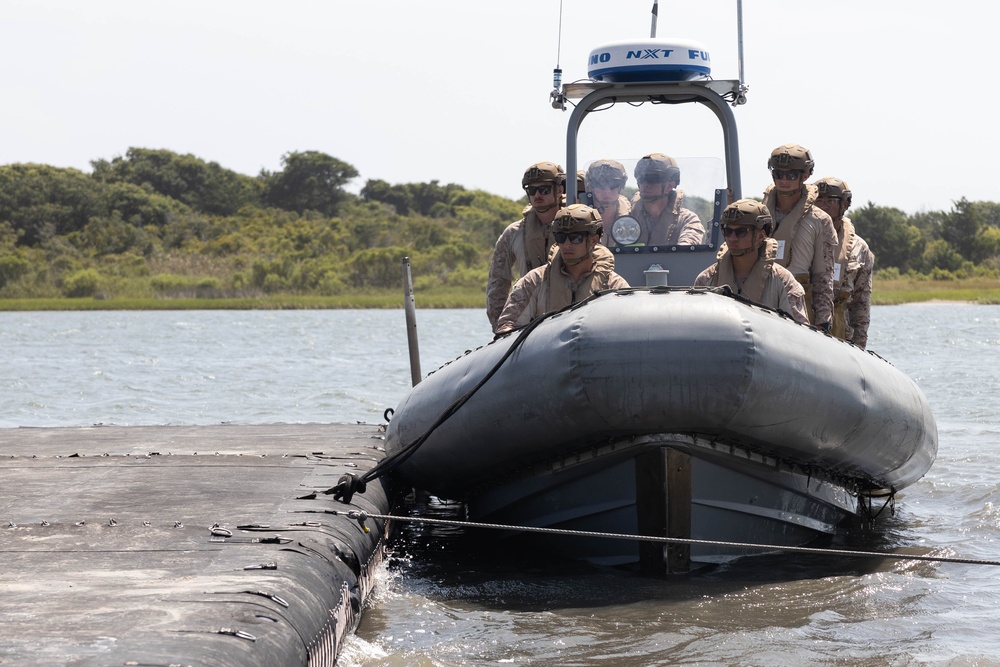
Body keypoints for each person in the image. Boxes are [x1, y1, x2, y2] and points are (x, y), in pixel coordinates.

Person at [495, 204, 629, 333]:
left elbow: (627, 326)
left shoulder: (614, 286)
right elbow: (507, 327)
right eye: (561, 237)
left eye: (575, 238)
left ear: (593, 240)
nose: (566, 245)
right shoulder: (534, 281)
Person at [695, 199, 809, 324]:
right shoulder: (706, 280)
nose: (732, 238)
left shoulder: (784, 282)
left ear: (760, 236)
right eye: (728, 231)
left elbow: (800, 332)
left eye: (741, 232)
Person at [762, 144, 838, 329]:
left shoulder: (820, 220)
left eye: (791, 175)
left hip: (799, 304)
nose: (784, 180)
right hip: (760, 299)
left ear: (805, 175)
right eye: (778, 174)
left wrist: (823, 319)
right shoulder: (759, 215)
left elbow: (823, 276)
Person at [486, 162, 566, 329]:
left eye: (544, 190)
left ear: (559, 190)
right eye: (531, 190)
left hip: (568, 316)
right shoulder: (514, 233)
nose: (537, 195)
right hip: (528, 322)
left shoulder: (578, 230)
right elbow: (498, 282)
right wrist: (500, 325)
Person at [813, 177, 874, 349]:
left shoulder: (859, 249)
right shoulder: (803, 239)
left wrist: (859, 348)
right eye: (819, 201)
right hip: (805, 324)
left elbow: (861, 304)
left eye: (830, 201)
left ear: (845, 204)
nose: (823, 206)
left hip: (841, 334)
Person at [628, 153, 704, 246]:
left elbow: (687, 247)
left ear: (669, 186)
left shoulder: (687, 220)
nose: (645, 184)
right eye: (641, 179)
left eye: (652, 179)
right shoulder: (626, 219)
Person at [584, 159, 632, 244]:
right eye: (599, 184)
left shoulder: (632, 215)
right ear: (591, 186)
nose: (607, 191)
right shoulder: (580, 216)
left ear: (621, 186)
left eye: (613, 184)